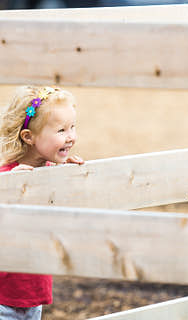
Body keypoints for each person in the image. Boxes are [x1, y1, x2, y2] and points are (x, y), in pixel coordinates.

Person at [0, 85, 84, 320]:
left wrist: (69, 179)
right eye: (61, 130)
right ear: (28, 137)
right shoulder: (7, 176)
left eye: (73, 127)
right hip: (3, 299)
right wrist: (9, 189)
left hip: (34, 298)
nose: (71, 137)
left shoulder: (53, 176)